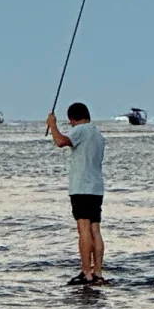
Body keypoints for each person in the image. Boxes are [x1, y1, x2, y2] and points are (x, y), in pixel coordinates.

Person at [46, 101, 105, 284]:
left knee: (84, 229)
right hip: (96, 188)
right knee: (95, 229)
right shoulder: (98, 134)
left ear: (72, 119)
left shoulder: (80, 130)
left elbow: (61, 142)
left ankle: (86, 273)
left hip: (81, 187)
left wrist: (52, 125)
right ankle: (98, 272)